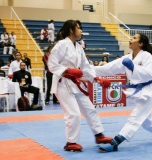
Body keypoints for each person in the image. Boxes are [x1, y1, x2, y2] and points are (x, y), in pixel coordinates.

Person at [95, 33, 152, 152]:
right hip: (140, 90)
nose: (130, 39)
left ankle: (116, 142)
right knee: (146, 121)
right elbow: (108, 68)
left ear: (140, 44)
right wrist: (87, 70)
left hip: (151, 89)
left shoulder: (147, 56)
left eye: (134, 38)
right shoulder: (127, 58)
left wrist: (133, 67)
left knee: (136, 116)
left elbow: (150, 74)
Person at [48, 20, 112, 152]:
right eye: (79, 28)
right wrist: (67, 70)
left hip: (75, 83)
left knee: (90, 109)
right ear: (72, 30)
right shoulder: (61, 45)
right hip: (62, 83)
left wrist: (96, 79)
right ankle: (71, 142)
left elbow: (86, 67)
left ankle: (99, 135)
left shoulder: (78, 47)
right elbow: (51, 65)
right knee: (73, 113)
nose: (81, 31)